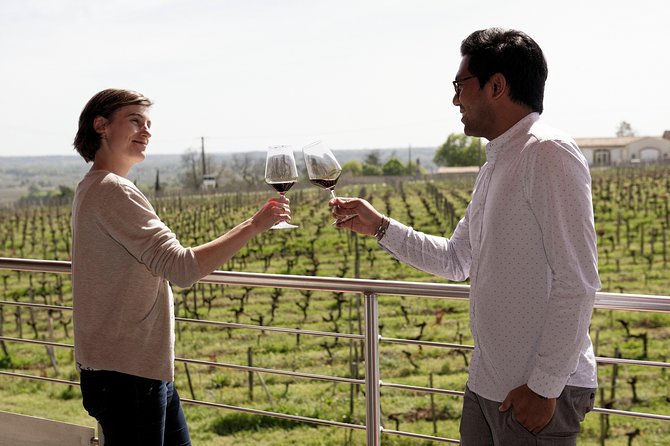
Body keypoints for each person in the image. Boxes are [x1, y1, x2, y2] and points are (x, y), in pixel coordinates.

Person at [330, 28, 600, 445]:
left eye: (460, 86)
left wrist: (545, 387)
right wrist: (380, 226)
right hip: (487, 386)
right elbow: (458, 259)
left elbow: (577, 281)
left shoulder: (547, 153)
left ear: (498, 85)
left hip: (534, 396)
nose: (455, 99)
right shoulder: (496, 163)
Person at [71, 88, 291, 445]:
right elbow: (182, 268)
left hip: (132, 368)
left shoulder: (92, 186)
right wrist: (253, 225)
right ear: (101, 125)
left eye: (149, 124)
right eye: (135, 121)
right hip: (129, 374)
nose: (146, 131)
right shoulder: (113, 191)